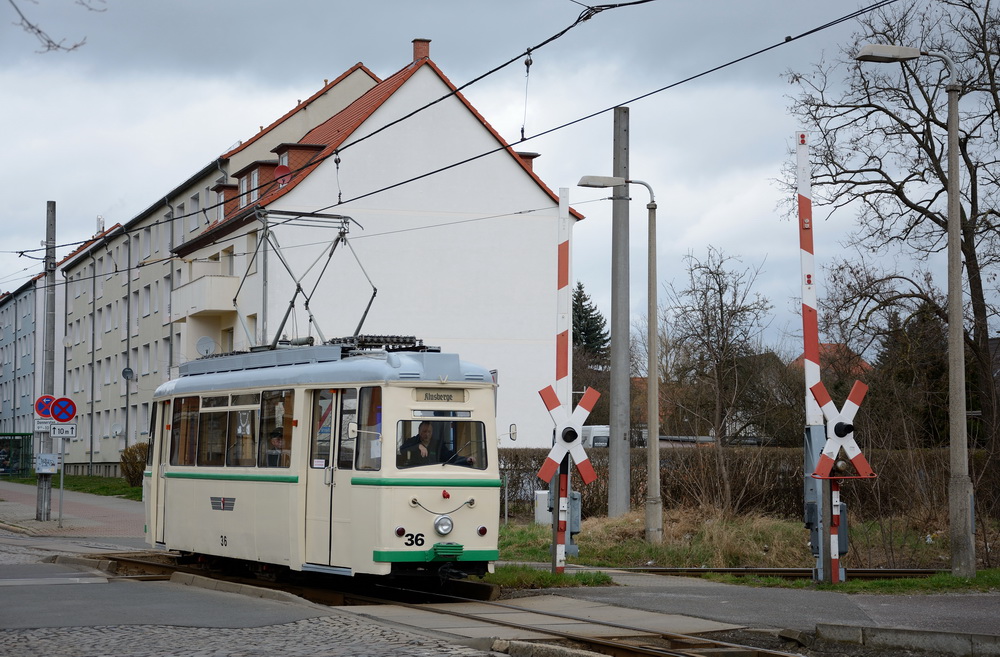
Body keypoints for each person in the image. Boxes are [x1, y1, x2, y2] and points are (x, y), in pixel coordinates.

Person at [399, 421, 474, 467]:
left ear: (432, 432)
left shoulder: (438, 445)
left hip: (433, 473)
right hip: (416, 473)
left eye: (429, 432)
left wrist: (466, 460)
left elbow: (450, 458)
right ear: (419, 431)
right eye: (424, 431)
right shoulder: (413, 441)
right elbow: (402, 450)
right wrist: (418, 446)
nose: (427, 434)